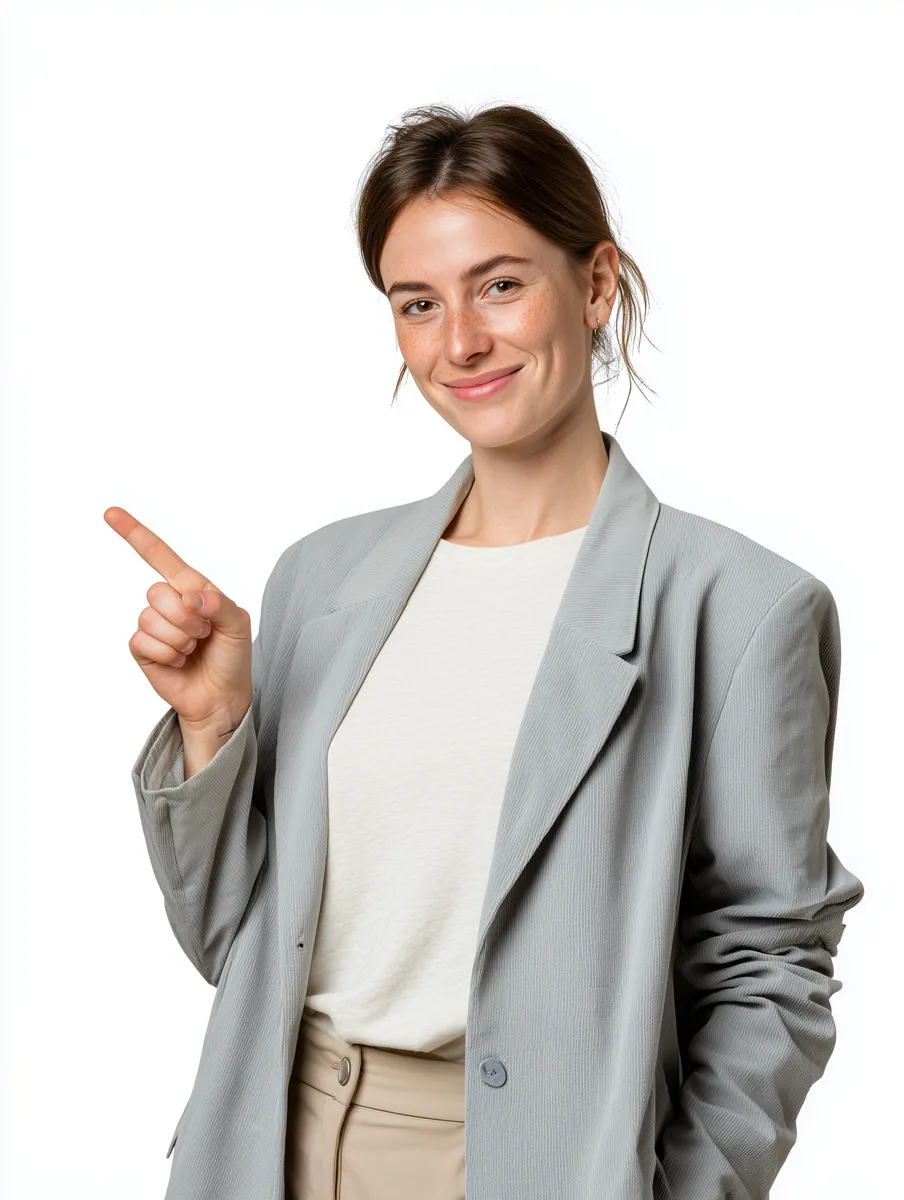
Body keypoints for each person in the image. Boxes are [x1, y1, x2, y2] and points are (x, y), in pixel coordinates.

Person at [107, 102, 864, 1200]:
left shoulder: (739, 609)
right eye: (418, 304)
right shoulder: (320, 581)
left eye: (499, 284)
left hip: (536, 1164)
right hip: (269, 1140)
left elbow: (769, 963)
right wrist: (212, 725)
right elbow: (238, 943)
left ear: (596, 284)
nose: (458, 341)